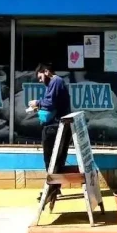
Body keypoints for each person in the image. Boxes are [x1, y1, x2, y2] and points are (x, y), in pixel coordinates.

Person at [29, 63, 72, 202]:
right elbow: (53, 104)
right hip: (59, 126)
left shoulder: (56, 81)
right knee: (57, 160)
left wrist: (37, 103)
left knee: (51, 159)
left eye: (40, 77)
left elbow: (50, 103)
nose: (40, 81)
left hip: (55, 127)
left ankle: (51, 189)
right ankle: (54, 188)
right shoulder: (55, 83)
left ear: (46, 72)